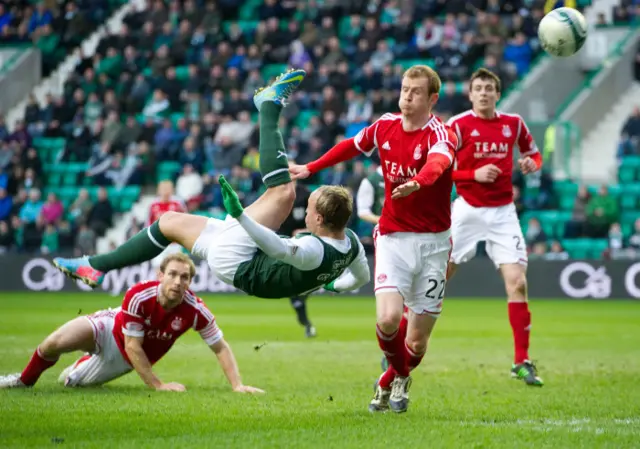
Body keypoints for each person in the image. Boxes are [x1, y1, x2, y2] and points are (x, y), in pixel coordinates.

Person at [53, 70, 370, 300]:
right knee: (168, 223)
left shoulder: (316, 248)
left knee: (284, 192)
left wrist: (240, 215)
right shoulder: (351, 244)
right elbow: (361, 280)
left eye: (310, 207)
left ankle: (269, 106)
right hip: (245, 263)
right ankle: (95, 266)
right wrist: (331, 284)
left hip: (241, 262)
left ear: (318, 219)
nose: (306, 211)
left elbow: (276, 246)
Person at [290, 65, 458, 413]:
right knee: (387, 320)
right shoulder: (384, 126)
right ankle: (399, 378)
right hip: (394, 238)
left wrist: (420, 181)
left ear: (432, 99)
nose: (407, 96)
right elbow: (351, 146)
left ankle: (389, 381)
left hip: (435, 245)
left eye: (416, 91)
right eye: (404, 88)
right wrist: (312, 167)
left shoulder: (441, 134)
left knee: (417, 340)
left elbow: (439, 163)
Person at [0, 254, 262, 393]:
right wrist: (157, 386)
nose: (178, 281)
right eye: (172, 274)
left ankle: (81, 366)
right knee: (54, 343)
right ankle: (23, 381)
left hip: (124, 358)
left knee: (70, 382)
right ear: (160, 275)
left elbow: (221, 347)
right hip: (112, 328)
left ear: (190, 282)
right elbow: (133, 344)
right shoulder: (138, 295)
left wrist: (237, 386)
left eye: (184, 277)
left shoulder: (196, 310)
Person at [446, 68, 544, 386]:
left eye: (490, 88)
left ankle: (521, 361)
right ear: (471, 94)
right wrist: (471, 176)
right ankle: (401, 343)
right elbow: (438, 169)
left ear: (497, 94)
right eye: (479, 88)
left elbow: (534, 154)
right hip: (465, 211)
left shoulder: (513, 124)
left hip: (503, 214)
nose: (485, 93)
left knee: (517, 284)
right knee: (438, 276)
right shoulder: (457, 126)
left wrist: (532, 163)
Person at [278, 182, 316, 338]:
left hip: (306, 242)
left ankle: (300, 300)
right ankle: (299, 305)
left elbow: (318, 219)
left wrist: (305, 231)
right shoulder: (277, 194)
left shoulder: (306, 194)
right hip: (285, 242)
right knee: (292, 280)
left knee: (306, 282)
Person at [147, 180, 188, 268]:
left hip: (174, 243)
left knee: (175, 268)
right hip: (158, 244)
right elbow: (148, 225)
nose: (166, 191)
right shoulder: (153, 205)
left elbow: (186, 220)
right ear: (159, 190)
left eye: (168, 189)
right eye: (163, 189)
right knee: (159, 268)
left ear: (172, 190)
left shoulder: (177, 204)